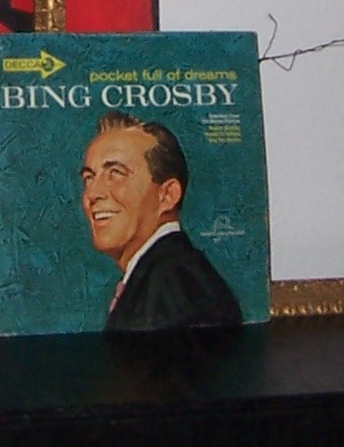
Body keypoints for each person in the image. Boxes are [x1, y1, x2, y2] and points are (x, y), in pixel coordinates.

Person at [78, 117, 243, 332]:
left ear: (167, 195)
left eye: (115, 173)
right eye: (88, 178)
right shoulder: (161, 277)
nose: (92, 194)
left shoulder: (178, 288)